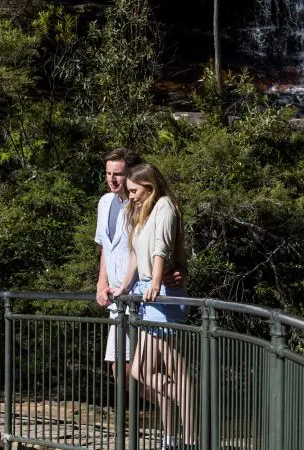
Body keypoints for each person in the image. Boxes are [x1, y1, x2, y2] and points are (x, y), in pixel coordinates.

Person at [111, 163, 194, 450]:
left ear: (149, 185)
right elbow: (135, 253)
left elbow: (162, 248)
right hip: (148, 300)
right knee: (139, 372)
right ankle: (185, 405)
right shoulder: (142, 212)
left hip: (163, 299)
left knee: (176, 371)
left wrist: (156, 283)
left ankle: (191, 438)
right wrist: (123, 286)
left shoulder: (165, 206)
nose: (130, 196)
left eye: (134, 190)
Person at [95, 149, 184, 377]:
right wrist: (101, 282)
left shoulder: (150, 205)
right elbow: (106, 245)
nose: (112, 179)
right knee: (123, 371)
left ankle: (179, 407)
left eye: (118, 173)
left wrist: (171, 273)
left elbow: (162, 245)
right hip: (121, 296)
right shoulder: (105, 202)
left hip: (144, 294)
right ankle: (175, 408)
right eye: (107, 173)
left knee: (149, 369)